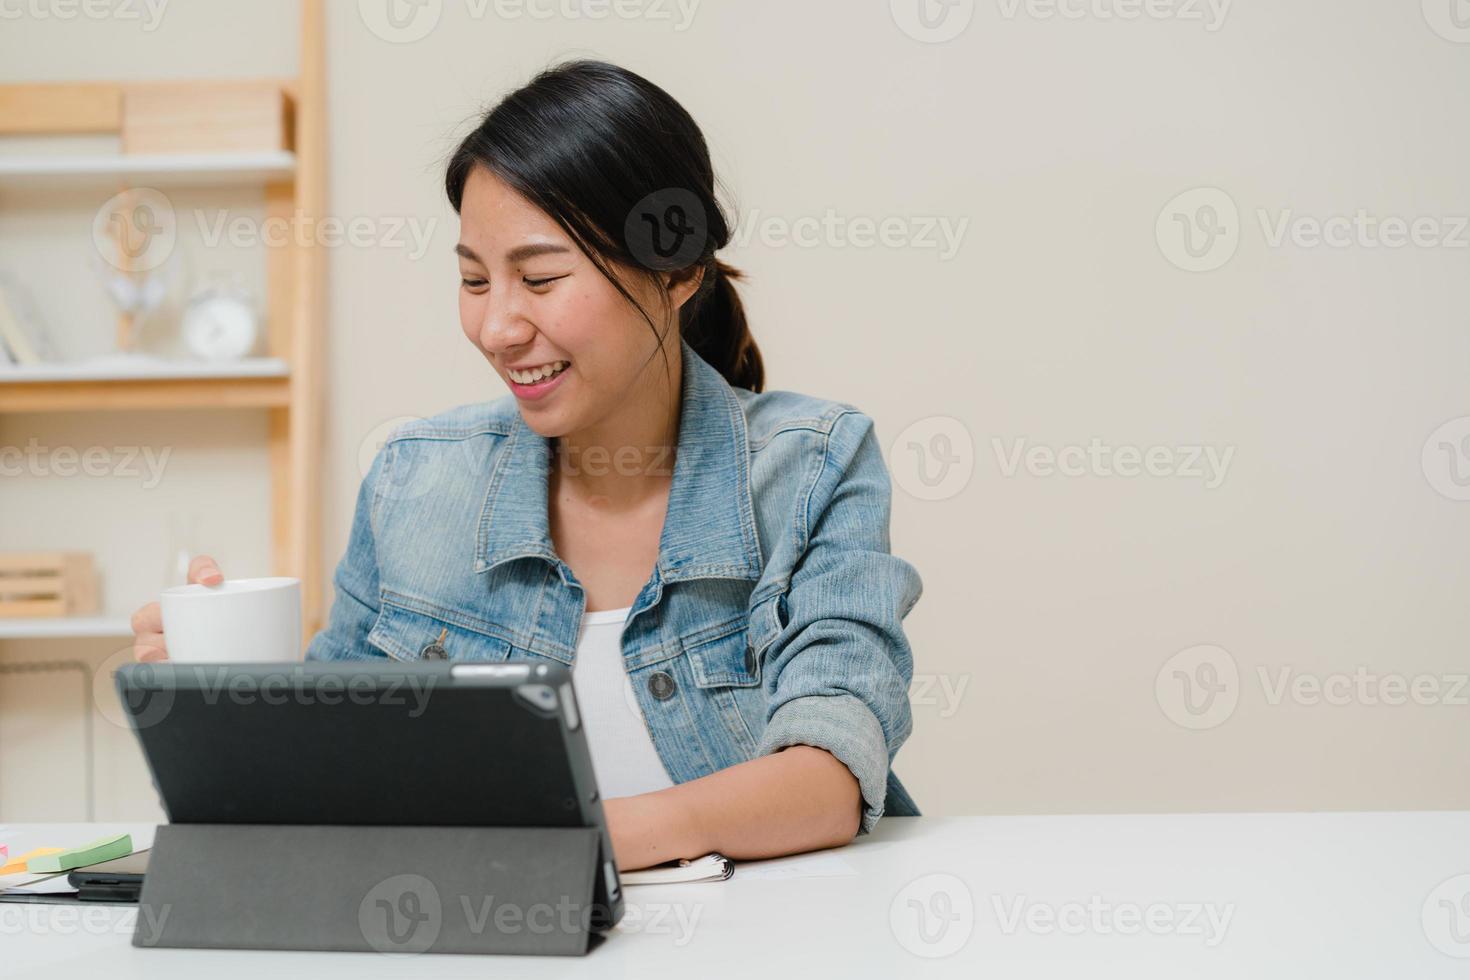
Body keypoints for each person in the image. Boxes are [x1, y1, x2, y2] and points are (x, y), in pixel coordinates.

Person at [130, 59, 922, 870]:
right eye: (473, 279)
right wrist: (222, 705)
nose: (497, 326)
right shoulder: (415, 482)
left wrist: (548, 843)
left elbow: (828, 776)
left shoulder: (812, 468)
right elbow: (334, 778)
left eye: (540, 277)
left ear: (679, 268)